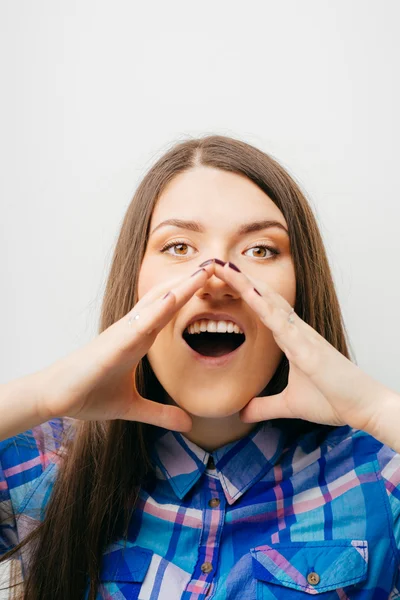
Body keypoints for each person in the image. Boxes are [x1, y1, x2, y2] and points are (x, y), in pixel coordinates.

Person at [0, 135, 399, 600]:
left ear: (300, 291)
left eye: (260, 250)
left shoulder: (379, 478)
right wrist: (42, 396)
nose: (217, 278)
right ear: (134, 283)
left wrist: (376, 409)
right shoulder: (40, 465)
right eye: (179, 246)